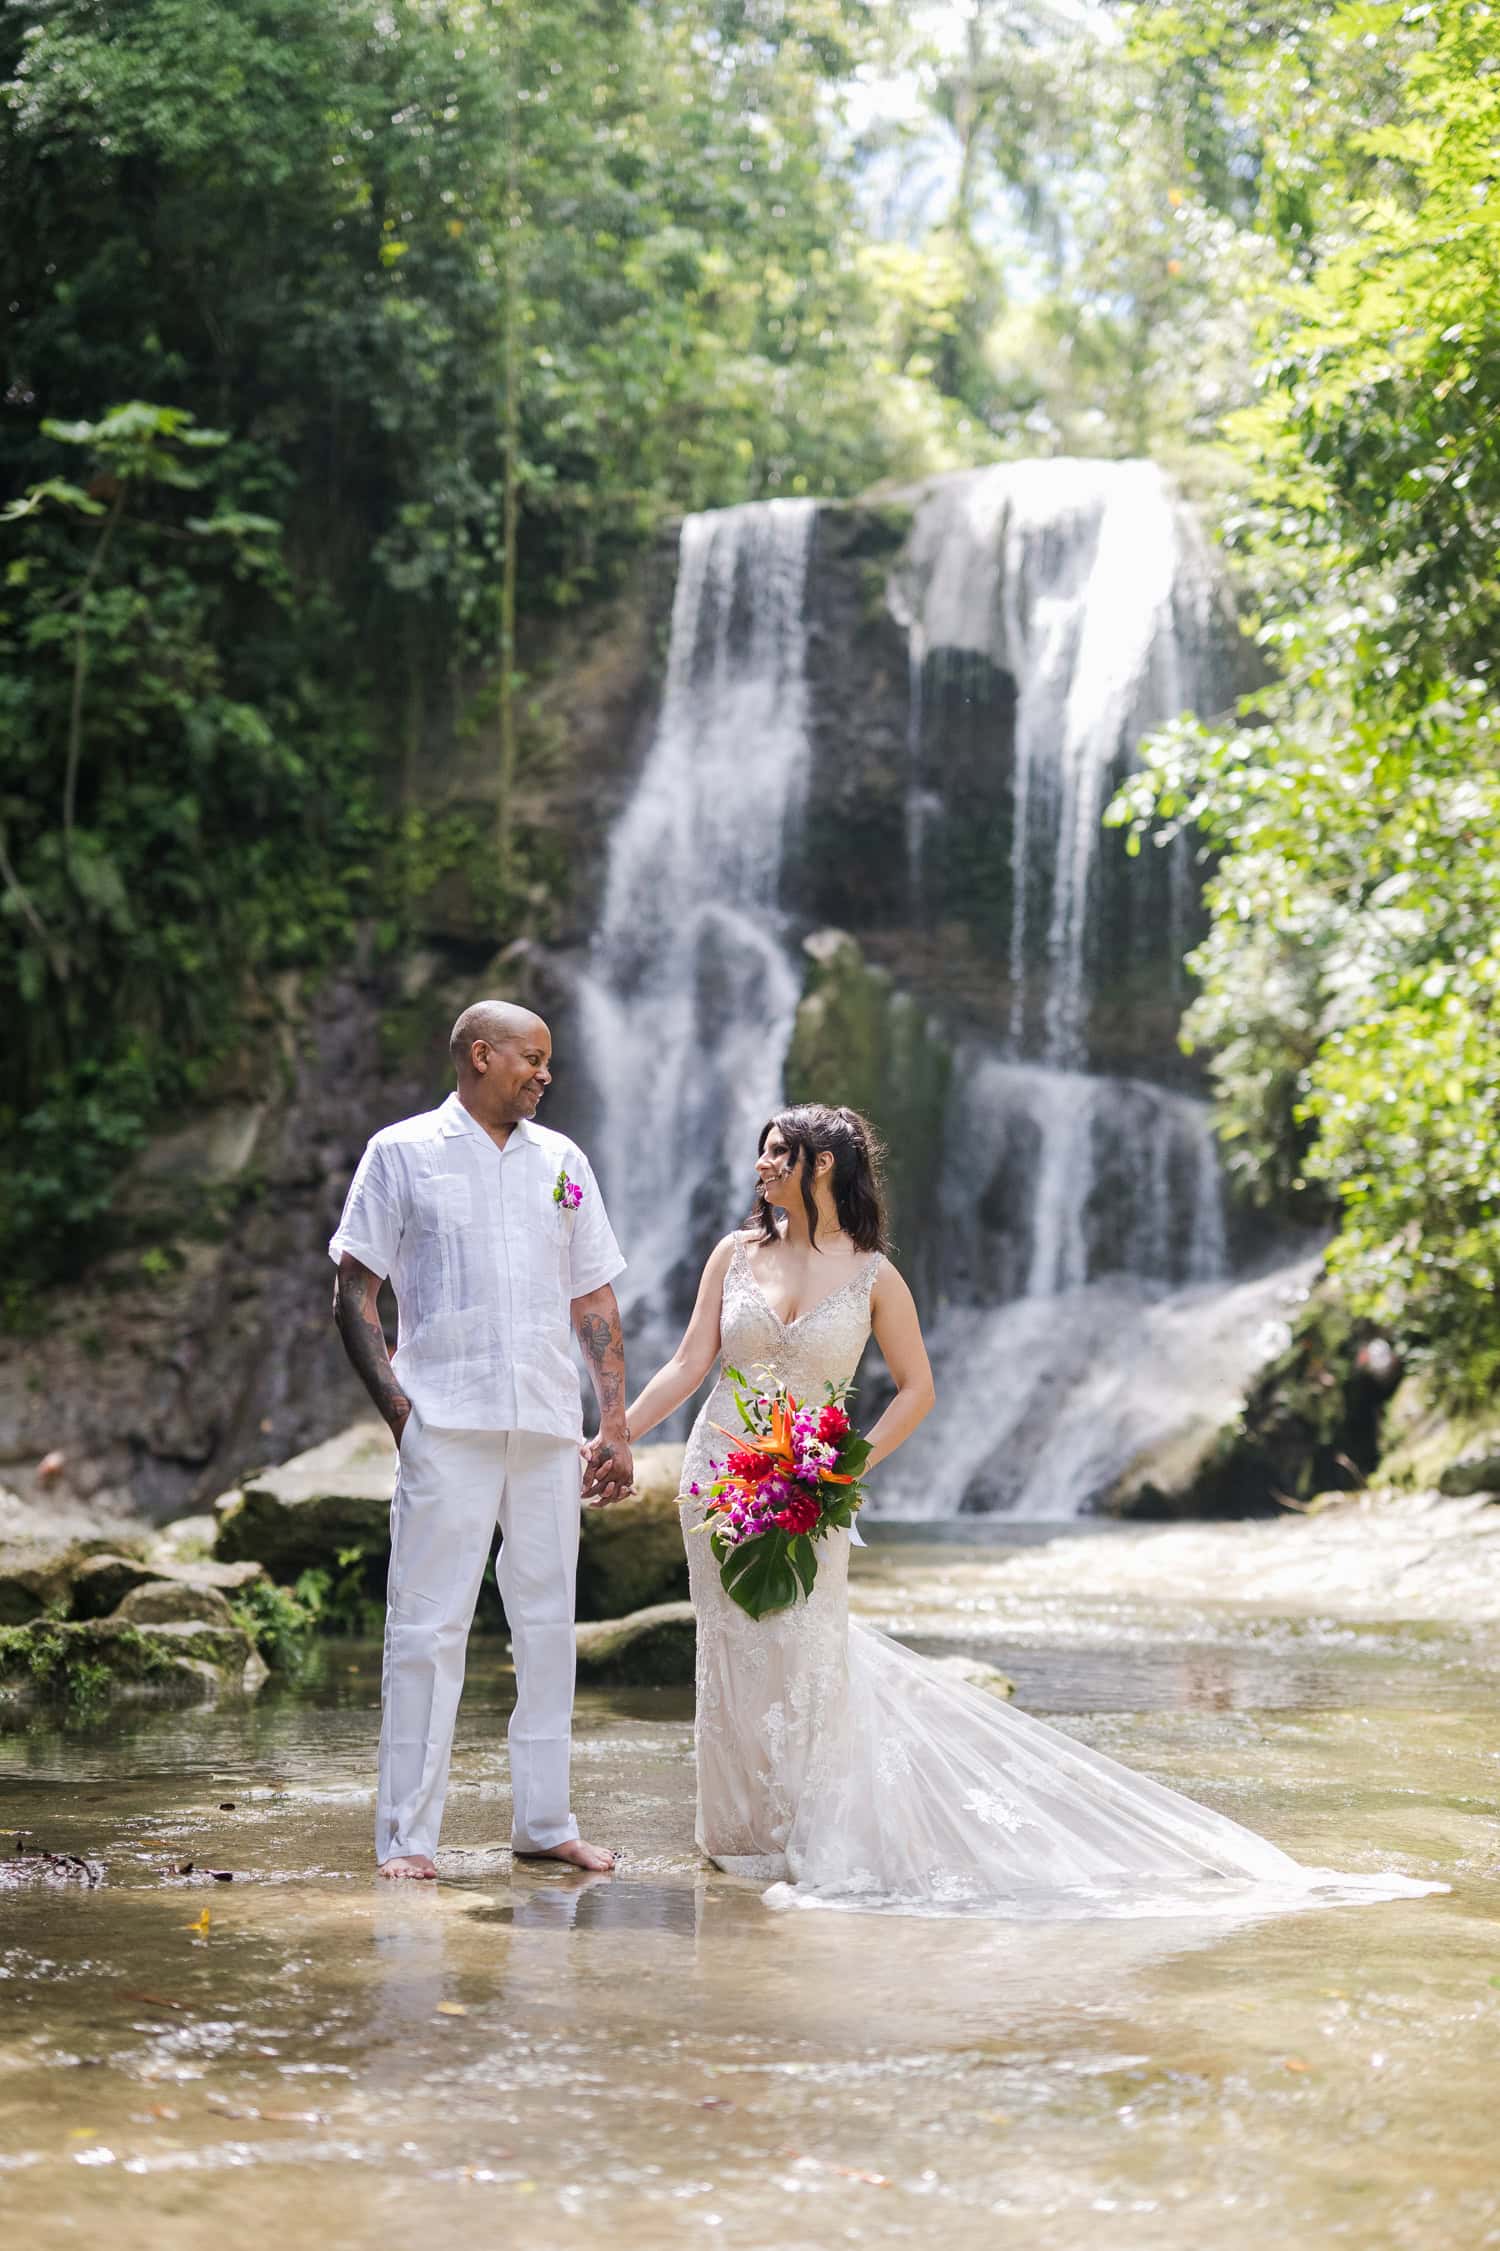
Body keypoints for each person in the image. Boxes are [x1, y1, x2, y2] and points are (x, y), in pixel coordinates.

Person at [625, 1101, 1443, 1917]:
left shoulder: (875, 1274)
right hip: (716, 1478)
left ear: (823, 1164)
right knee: (728, 1646)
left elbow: (919, 1388)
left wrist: (843, 1468)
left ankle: (799, 1827)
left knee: (804, 1647)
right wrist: (617, 1437)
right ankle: (733, 1831)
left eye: (777, 1152)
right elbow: (689, 1362)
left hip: (813, 1490)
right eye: (763, 1152)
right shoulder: (734, 1254)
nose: (762, 1165)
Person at [329, 1001, 633, 1881]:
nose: (545, 1074)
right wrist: (399, 1412)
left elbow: (594, 1299)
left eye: (549, 1062)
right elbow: (355, 1292)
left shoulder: (563, 1162)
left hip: (546, 1423)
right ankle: (409, 1839)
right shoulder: (401, 1152)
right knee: (426, 1629)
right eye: (531, 1059)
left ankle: (544, 1821)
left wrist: (612, 1421)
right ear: (479, 1054)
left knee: (548, 1627)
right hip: (445, 1422)